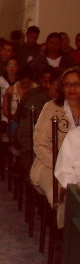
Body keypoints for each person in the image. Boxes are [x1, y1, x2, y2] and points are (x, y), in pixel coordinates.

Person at [31, 67, 80, 206]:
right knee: (61, 192)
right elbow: (40, 144)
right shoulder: (51, 108)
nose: (72, 88)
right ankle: (64, 226)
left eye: (76, 84)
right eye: (67, 84)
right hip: (49, 163)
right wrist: (61, 164)